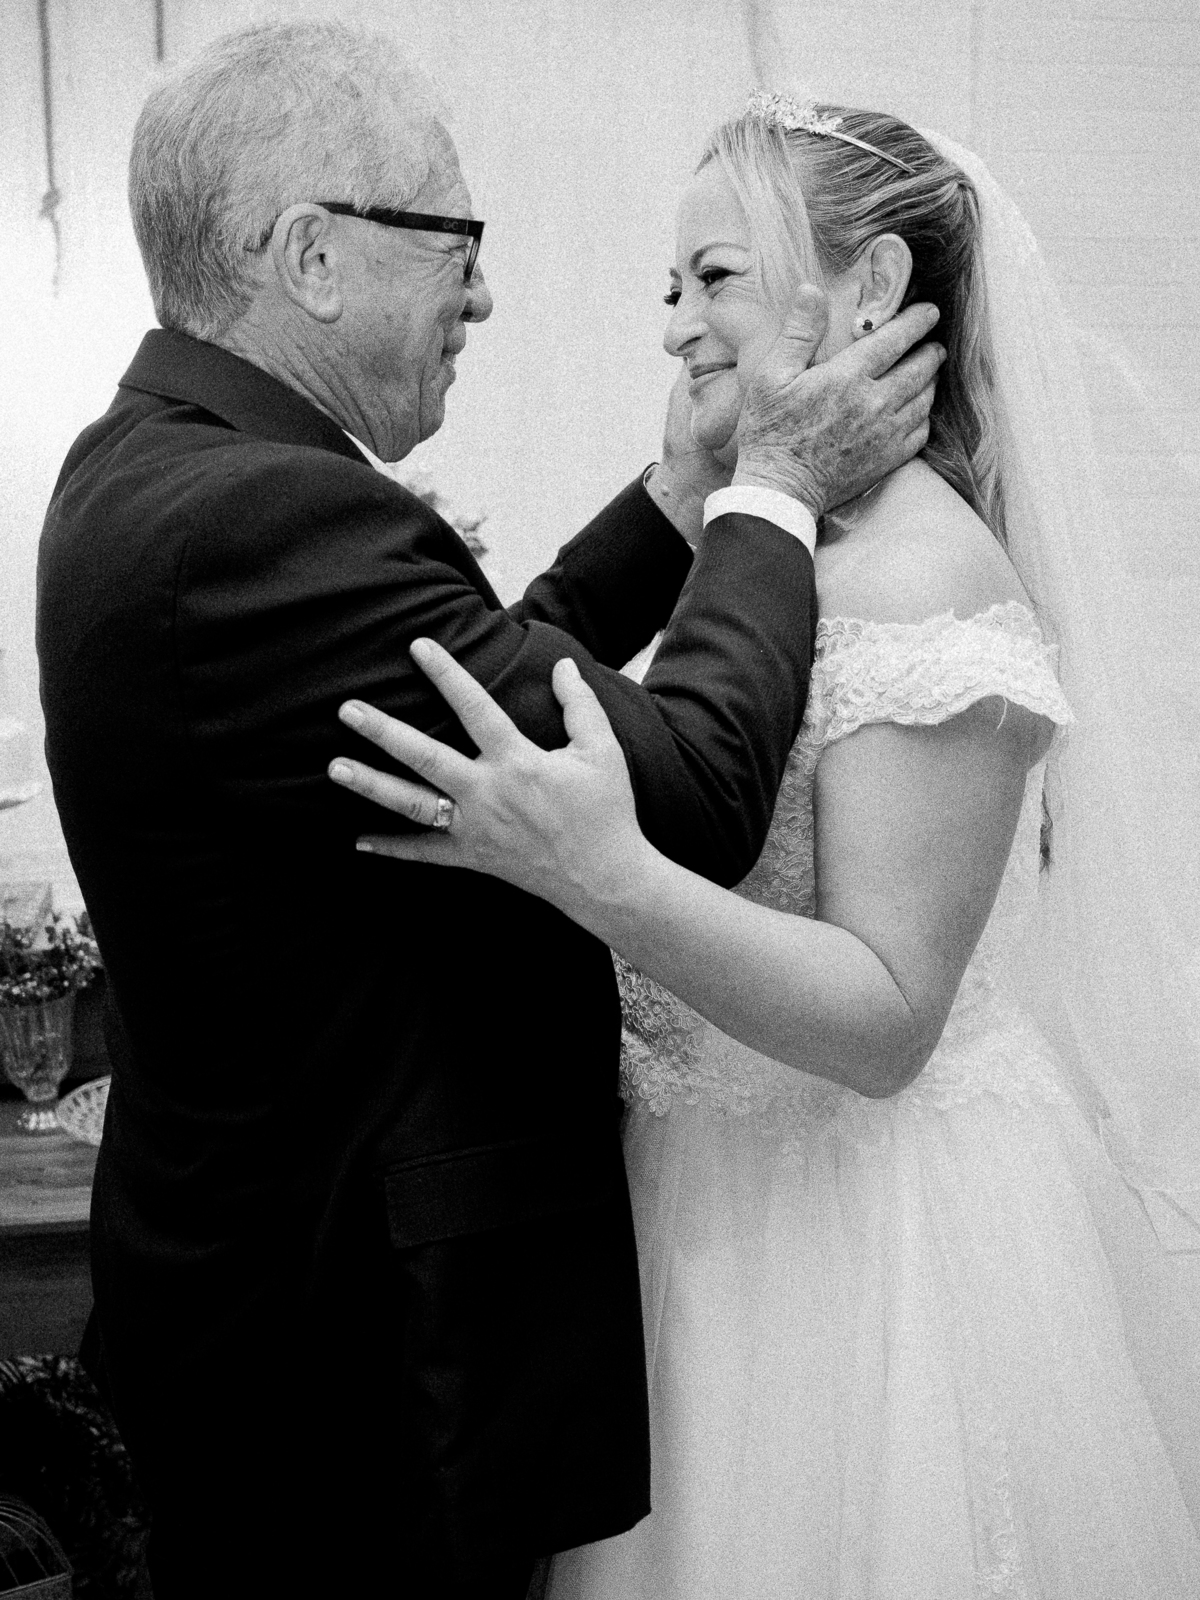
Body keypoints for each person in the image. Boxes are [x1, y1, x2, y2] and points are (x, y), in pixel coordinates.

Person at [35, 25, 941, 1599]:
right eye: (457, 242)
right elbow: (697, 793)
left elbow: (477, 680)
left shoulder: (159, 466)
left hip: (273, 1324)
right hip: (346, 1372)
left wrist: (680, 506)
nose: (484, 295)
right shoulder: (262, 516)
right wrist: (776, 492)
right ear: (313, 256)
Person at [331, 97, 1200, 1597]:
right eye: (671, 286)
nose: (676, 326)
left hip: (864, 1253)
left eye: (716, 277)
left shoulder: (923, 576)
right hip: (697, 1211)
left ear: (871, 289)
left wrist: (604, 877)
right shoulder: (774, 544)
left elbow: (888, 1018)